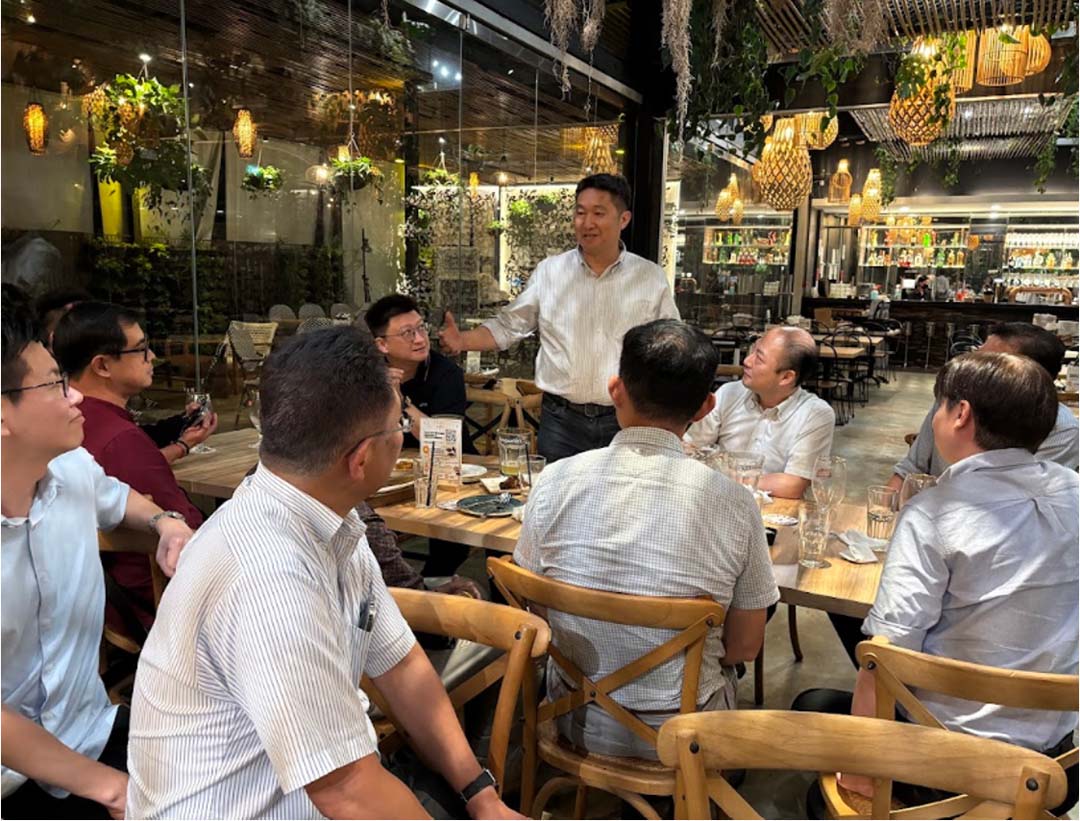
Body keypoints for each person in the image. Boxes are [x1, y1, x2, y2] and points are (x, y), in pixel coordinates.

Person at [126, 326, 521, 820]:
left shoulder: (329, 518)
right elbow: (347, 790)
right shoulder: (270, 576)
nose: (403, 434)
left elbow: (402, 666)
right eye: (399, 423)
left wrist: (482, 797)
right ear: (361, 459)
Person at [796, 352, 1079, 815]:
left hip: (948, 766)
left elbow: (886, 656)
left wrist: (861, 772)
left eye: (939, 406)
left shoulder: (934, 513)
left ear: (960, 414)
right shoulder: (1073, 489)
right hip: (1058, 764)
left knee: (815, 739)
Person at [514, 319, 779, 759]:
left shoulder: (554, 480)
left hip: (570, 716)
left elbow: (537, 609)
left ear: (615, 390)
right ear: (705, 407)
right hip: (681, 738)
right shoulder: (734, 503)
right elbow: (745, 647)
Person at [1, 292, 193, 819]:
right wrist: (109, 789)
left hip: (89, 730)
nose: (76, 396)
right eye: (54, 385)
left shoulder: (70, 468)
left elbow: (116, 496)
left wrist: (164, 522)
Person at [438, 174, 679, 462]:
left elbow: (671, 344)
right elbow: (508, 326)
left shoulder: (649, 277)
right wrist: (462, 340)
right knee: (557, 491)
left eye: (598, 213)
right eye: (580, 212)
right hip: (561, 421)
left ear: (623, 219)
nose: (586, 223)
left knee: (624, 492)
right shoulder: (550, 272)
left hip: (627, 419)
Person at [51, 302, 216, 632]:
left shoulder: (74, 429)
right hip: (160, 609)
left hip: (105, 609)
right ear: (103, 365)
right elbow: (192, 536)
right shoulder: (119, 439)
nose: (152, 357)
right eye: (141, 349)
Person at [889, 321, 1079, 486]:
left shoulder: (1061, 431)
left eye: (990, 366)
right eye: (976, 357)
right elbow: (911, 468)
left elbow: (1016, 499)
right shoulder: (953, 400)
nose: (972, 368)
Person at [685, 326, 834, 499]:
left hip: (773, 509)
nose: (747, 361)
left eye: (759, 358)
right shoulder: (729, 393)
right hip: (717, 500)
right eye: (753, 351)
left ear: (786, 377)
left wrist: (721, 477)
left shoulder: (815, 414)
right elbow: (691, 448)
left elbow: (793, 485)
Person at [366, 294, 477, 455]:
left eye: (421, 327)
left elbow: (446, 443)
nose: (420, 339)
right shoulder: (368, 375)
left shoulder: (446, 373)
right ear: (382, 344)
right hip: (395, 464)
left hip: (454, 463)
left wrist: (401, 402)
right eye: (407, 333)